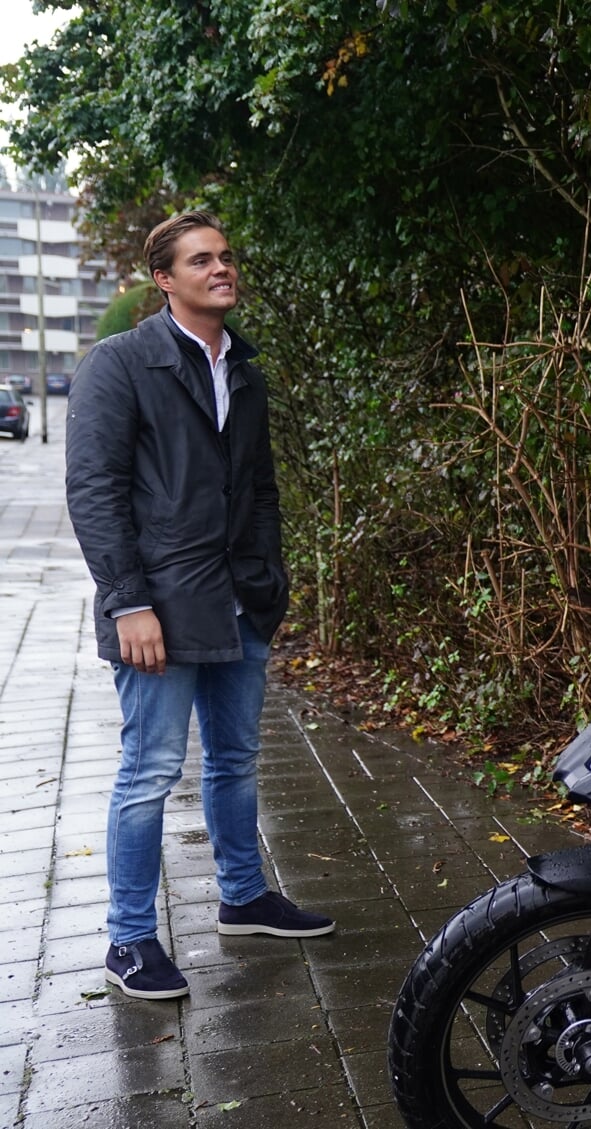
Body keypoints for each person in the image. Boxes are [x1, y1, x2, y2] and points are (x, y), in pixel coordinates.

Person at [67, 210, 335, 1001]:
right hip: (158, 610)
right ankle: (129, 938)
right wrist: (127, 604)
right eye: (201, 259)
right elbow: (94, 490)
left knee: (234, 760)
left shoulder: (241, 369)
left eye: (225, 256)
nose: (222, 268)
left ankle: (244, 896)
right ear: (164, 278)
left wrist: (268, 582)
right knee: (149, 771)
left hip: (238, 603)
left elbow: (258, 487)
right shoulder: (120, 365)